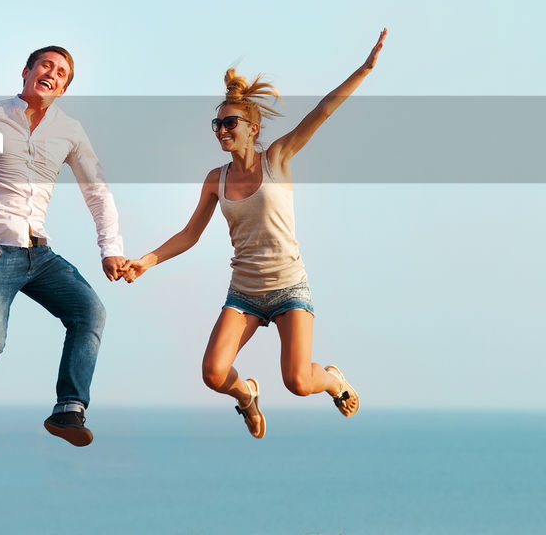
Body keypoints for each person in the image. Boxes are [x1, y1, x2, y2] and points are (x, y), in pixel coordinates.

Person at [122, 29, 387, 438]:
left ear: (252, 126)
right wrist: (146, 261)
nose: (221, 130)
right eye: (217, 123)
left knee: (299, 383)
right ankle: (247, 396)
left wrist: (364, 69)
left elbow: (322, 111)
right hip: (244, 292)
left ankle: (333, 380)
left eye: (230, 122)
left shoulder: (277, 159)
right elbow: (190, 233)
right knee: (213, 373)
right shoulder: (216, 179)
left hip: (288, 288)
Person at [0, 46, 125, 447]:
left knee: (90, 312)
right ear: (27, 72)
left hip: (40, 254)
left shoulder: (70, 131)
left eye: (61, 72)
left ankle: (69, 408)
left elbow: (97, 191)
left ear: (64, 88)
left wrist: (110, 247)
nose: (51, 73)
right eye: (45, 65)